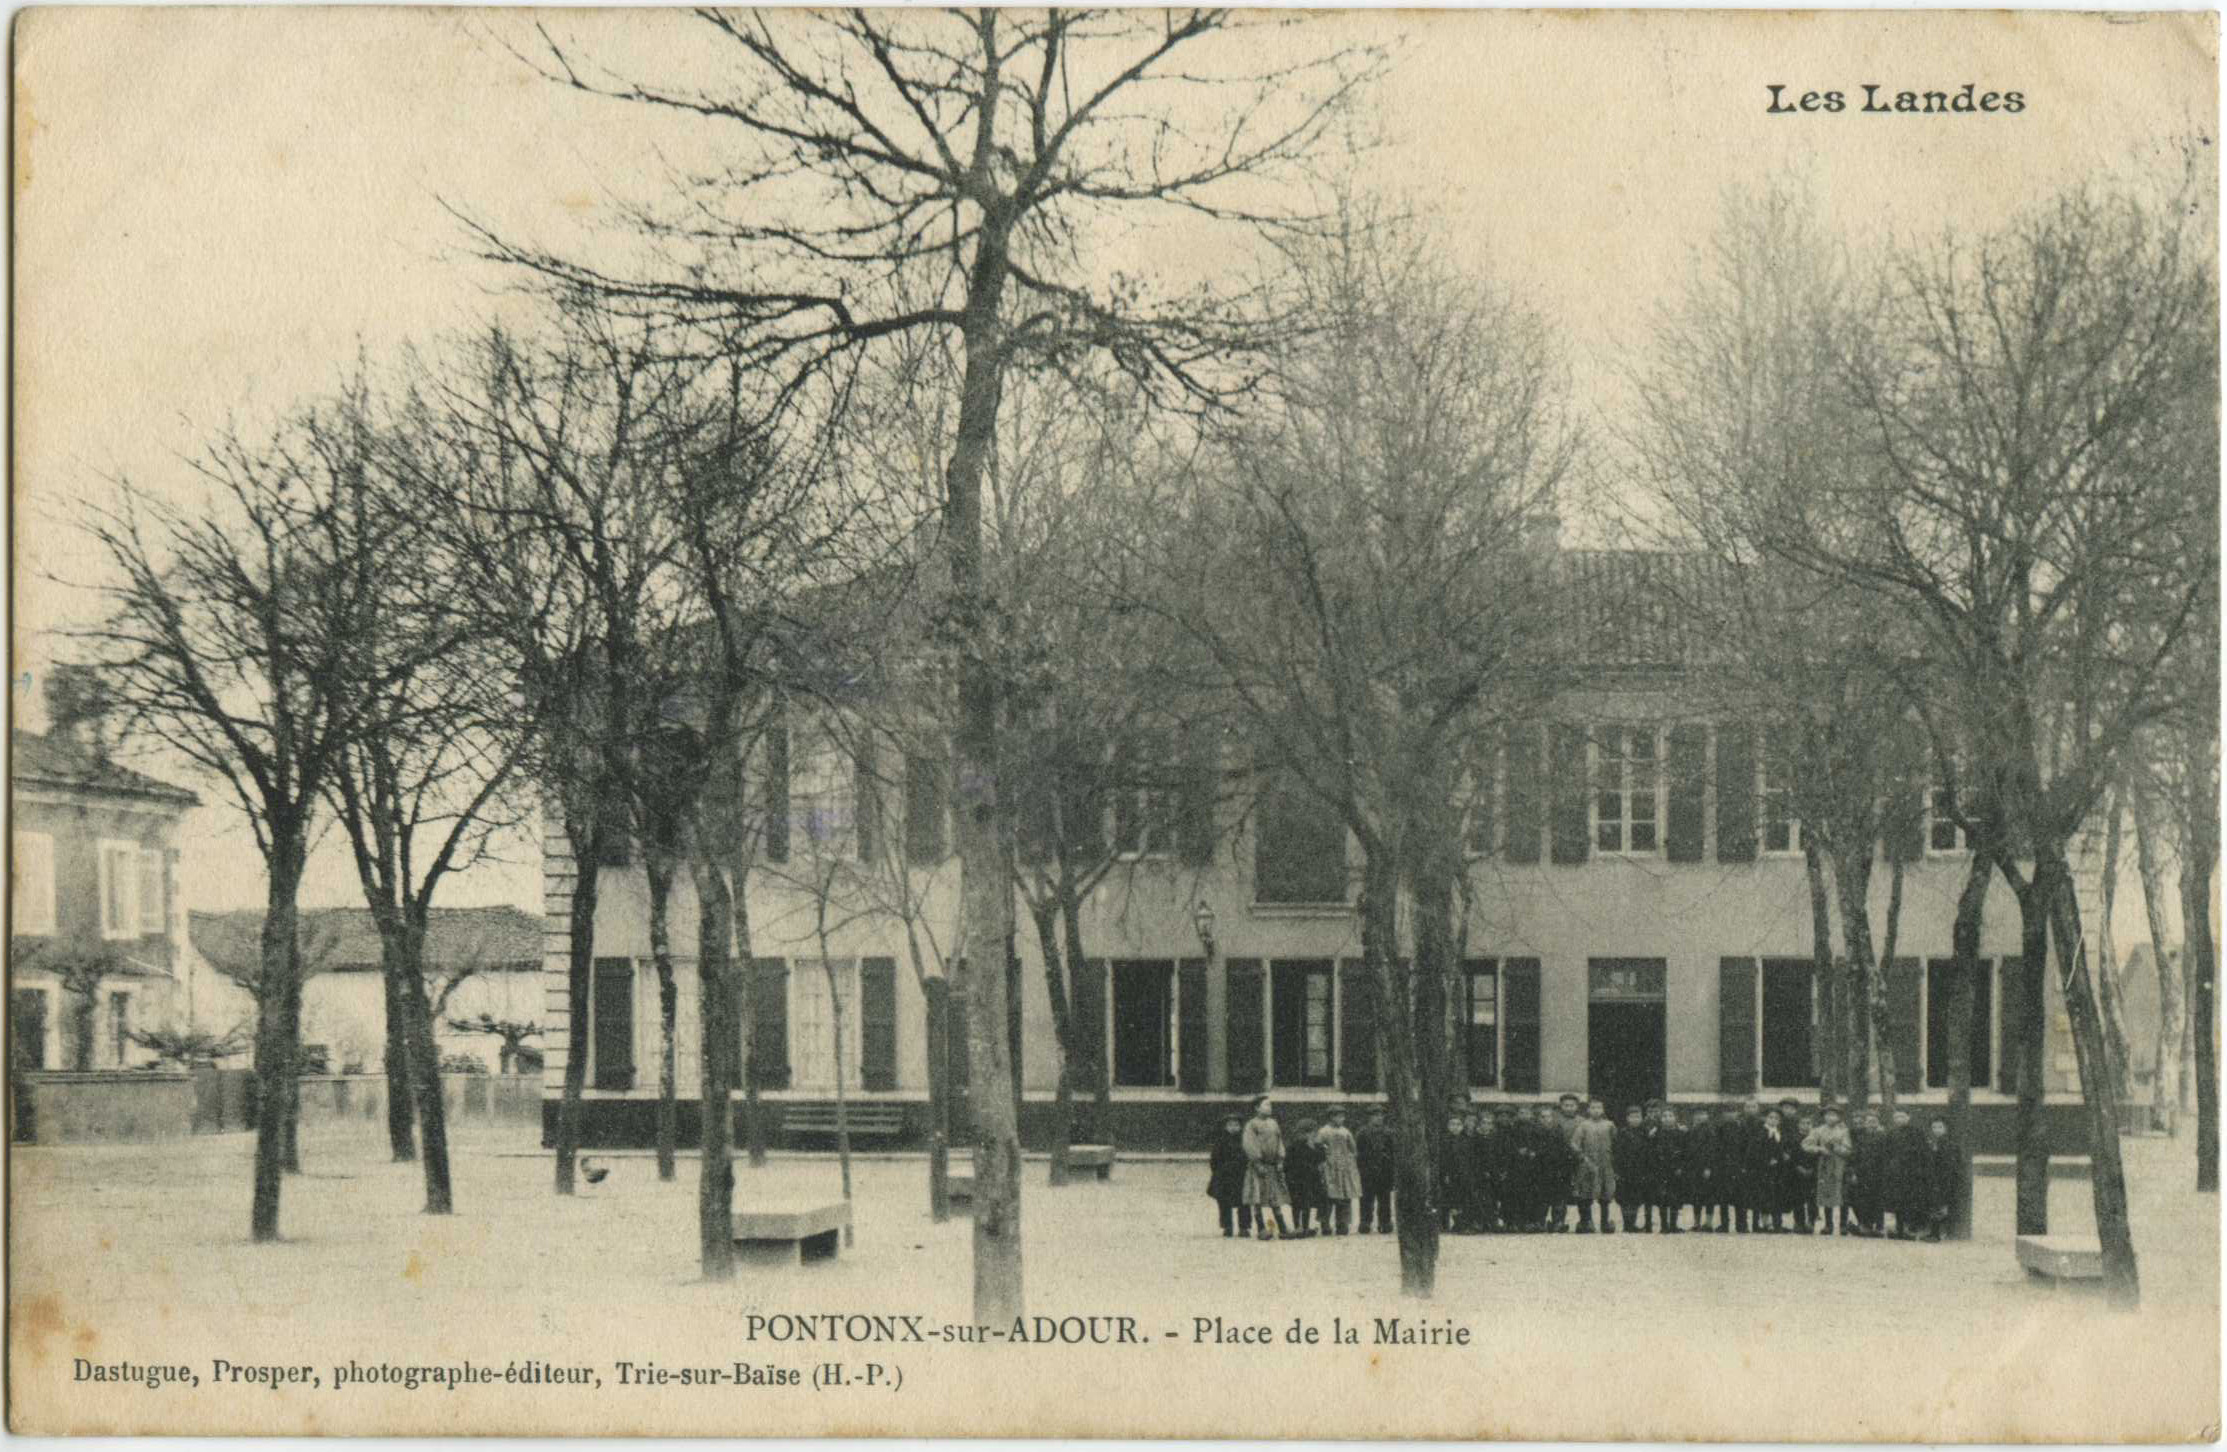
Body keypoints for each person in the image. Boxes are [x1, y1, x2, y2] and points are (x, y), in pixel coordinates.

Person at [1241, 1095, 1295, 1241]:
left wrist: (1279, 1159)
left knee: (1275, 1198)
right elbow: (1250, 1145)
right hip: (1258, 1168)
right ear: (1257, 1108)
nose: (1269, 1108)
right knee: (1258, 1198)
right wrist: (1257, 1163)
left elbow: (1279, 1142)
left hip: (1272, 1167)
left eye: (1270, 1105)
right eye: (1266, 1105)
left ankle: (1283, 1228)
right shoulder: (1251, 1125)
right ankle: (1261, 1228)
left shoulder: (1274, 1123)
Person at [1803, 1104, 1853, 1236]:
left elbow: (1848, 1150)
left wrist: (1836, 1148)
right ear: (1824, 1117)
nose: (1831, 1118)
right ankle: (1828, 1224)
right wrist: (1819, 1149)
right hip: (1823, 1166)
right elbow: (1806, 1144)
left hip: (1839, 1166)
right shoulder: (1818, 1131)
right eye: (1828, 1115)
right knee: (1826, 1193)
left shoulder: (1844, 1131)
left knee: (1842, 1195)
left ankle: (1842, 1225)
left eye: (1834, 1115)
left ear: (1838, 1117)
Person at [1573, 1098, 1617, 1233]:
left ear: (1603, 1110)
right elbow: (1574, 1144)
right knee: (1585, 1193)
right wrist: (1582, 1156)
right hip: (1588, 1164)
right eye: (1593, 1108)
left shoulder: (1609, 1125)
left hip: (1605, 1164)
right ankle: (1587, 1222)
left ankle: (1605, 1223)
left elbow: (1616, 1143)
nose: (1596, 1110)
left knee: (1605, 1194)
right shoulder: (1583, 1125)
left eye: (1598, 1107)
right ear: (1588, 1110)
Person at [1317, 1108, 1362, 1236]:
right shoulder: (1324, 1131)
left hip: (1344, 1169)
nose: (1342, 1119)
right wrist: (1323, 1161)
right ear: (1332, 1117)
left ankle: (1342, 1224)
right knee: (1328, 1197)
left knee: (1344, 1196)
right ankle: (1325, 1225)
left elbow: (1353, 1149)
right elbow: (1318, 1148)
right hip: (1329, 1168)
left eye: (1343, 1116)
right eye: (1339, 1116)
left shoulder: (1345, 1132)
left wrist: (1350, 1161)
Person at [1886, 1108, 1929, 1239]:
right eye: (1897, 1117)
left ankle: (1910, 1228)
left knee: (1910, 1200)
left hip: (1912, 1171)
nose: (1899, 1119)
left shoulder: (1916, 1133)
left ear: (1908, 1117)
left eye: (1902, 1116)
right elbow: (1887, 1152)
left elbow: (1922, 1151)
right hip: (1896, 1172)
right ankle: (1899, 1228)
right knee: (1897, 1200)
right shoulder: (1892, 1133)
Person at [1208, 1114, 1252, 1237]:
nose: (1233, 1128)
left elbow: (1248, 1156)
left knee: (1244, 1202)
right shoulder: (1220, 1141)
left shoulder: (1244, 1141)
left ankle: (1244, 1227)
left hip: (1241, 1176)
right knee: (1224, 1202)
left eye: (1236, 1125)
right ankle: (1227, 1226)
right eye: (1230, 1125)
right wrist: (1219, 1173)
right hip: (1225, 1177)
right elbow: (1214, 1160)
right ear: (1225, 1127)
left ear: (1240, 1127)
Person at [1613, 1102, 1653, 1233]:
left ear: (1642, 1118)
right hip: (1625, 1171)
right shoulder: (1622, 1133)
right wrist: (1617, 1170)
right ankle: (1627, 1224)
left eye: (1637, 1117)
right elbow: (1617, 1153)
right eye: (1632, 1117)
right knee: (1625, 1199)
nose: (1635, 1119)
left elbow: (1648, 1152)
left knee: (1636, 1198)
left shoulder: (1645, 1133)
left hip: (1639, 1171)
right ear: (1627, 1118)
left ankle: (1632, 1223)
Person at [1356, 1106, 1396, 1235]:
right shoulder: (1362, 1133)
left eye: (1381, 1115)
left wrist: (1390, 1165)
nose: (1379, 1118)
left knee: (1384, 1198)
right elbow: (1359, 1152)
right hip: (1367, 1171)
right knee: (1367, 1198)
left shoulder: (1389, 1133)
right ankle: (1365, 1222)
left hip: (1384, 1170)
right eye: (1376, 1115)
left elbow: (1393, 1151)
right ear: (1370, 1117)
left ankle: (1385, 1223)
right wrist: (1361, 1168)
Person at [1918, 1115, 1959, 1241]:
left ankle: (1936, 1234)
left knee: (1939, 1205)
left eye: (1940, 1127)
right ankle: (1933, 1232)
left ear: (1946, 1128)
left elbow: (1949, 1163)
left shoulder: (1947, 1143)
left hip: (1943, 1178)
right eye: (1934, 1127)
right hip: (1933, 1177)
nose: (1936, 1129)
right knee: (1934, 1204)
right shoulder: (1933, 1142)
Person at [1848, 1108, 1887, 1236]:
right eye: (1869, 1121)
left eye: (1874, 1121)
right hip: (1863, 1173)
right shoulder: (1861, 1137)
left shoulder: (1883, 1136)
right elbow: (1855, 1156)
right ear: (1865, 1123)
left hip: (1878, 1173)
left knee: (1878, 1200)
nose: (1871, 1123)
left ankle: (1880, 1227)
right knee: (1863, 1199)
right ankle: (1866, 1225)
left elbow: (1886, 1155)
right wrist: (1854, 1172)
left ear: (1878, 1122)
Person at [1288, 1116, 1327, 1237]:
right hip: (1297, 1179)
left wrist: (1316, 1147)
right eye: (1309, 1132)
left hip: (1311, 1179)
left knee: (1307, 1204)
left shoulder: (1317, 1146)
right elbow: (1288, 1163)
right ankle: (1297, 1226)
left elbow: (1321, 1159)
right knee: (1297, 1204)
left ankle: (1304, 1227)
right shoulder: (1294, 1146)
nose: (1312, 1135)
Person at [1757, 1108, 1794, 1232]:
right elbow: (1756, 1150)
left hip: (1779, 1169)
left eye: (1776, 1118)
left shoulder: (1780, 1133)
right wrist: (1767, 1160)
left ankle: (1777, 1223)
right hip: (1764, 1169)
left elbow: (1785, 1146)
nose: (1773, 1120)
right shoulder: (1761, 1132)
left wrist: (1786, 1154)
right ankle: (1766, 1223)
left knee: (1777, 1195)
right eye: (1771, 1117)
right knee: (1766, 1195)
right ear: (1766, 1118)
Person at [1466, 1110, 1501, 1233]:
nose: (1487, 1125)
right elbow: (1473, 1158)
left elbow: (1498, 1155)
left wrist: (1497, 1171)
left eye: (1489, 1123)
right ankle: (1478, 1222)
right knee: (1479, 1198)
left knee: (1492, 1198)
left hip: (1493, 1173)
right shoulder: (1474, 1139)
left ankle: (1491, 1222)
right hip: (1478, 1173)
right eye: (1484, 1123)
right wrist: (1481, 1171)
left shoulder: (1495, 1138)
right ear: (1479, 1124)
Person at [1553, 1094, 1585, 1231]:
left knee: (1581, 1191)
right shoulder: (1555, 1120)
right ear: (1561, 1106)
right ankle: (1558, 1221)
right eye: (1566, 1105)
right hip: (1560, 1161)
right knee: (1560, 1192)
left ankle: (1585, 1221)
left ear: (1577, 1107)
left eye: (1572, 1105)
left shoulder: (1582, 1122)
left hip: (1578, 1160)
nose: (1569, 1108)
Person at [1438, 1109, 1472, 1233]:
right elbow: (1442, 1159)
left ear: (1462, 1126)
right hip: (1448, 1175)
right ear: (1448, 1126)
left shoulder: (1466, 1140)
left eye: (1458, 1125)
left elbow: (1470, 1158)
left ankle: (1461, 1224)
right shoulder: (1444, 1141)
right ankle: (1443, 1224)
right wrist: (1445, 1173)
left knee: (1462, 1200)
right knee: (1448, 1199)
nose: (1455, 1127)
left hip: (1463, 1175)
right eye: (1452, 1124)